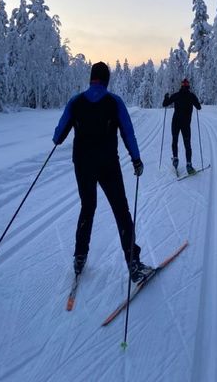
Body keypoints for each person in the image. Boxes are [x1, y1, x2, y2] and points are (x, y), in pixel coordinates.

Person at [53, 61, 153, 282]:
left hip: (82, 164)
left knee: (87, 207)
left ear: (91, 78)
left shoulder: (76, 102)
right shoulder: (114, 102)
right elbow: (128, 132)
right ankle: (133, 263)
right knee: (121, 210)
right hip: (108, 164)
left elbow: (58, 136)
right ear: (107, 80)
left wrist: (61, 135)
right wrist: (136, 159)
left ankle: (80, 256)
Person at [162, 78, 202, 174]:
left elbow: (165, 104)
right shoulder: (191, 96)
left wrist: (166, 97)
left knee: (174, 141)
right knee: (187, 144)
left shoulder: (176, 95)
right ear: (188, 86)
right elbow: (199, 107)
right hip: (186, 124)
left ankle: (175, 159)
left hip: (175, 123)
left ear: (181, 86)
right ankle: (189, 164)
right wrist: (196, 100)